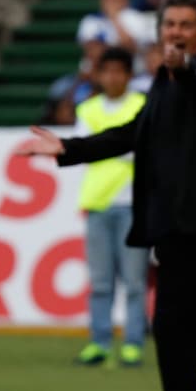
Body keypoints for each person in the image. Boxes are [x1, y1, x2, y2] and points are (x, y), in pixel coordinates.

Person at [17, 0, 196, 391]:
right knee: (179, 324)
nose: (175, 32)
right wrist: (68, 148)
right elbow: (133, 134)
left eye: (185, 25)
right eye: (169, 24)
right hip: (175, 218)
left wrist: (183, 66)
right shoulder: (163, 79)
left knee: (184, 323)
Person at [71, 46, 148, 367]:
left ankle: (132, 343)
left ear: (129, 75)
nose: (113, 77)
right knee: (101, 281)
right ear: (99, 75)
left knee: (134, 281)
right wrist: (118, 146)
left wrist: (104, 145)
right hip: (99, 203)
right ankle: (99, 342)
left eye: (119, 71)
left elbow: (141, 149)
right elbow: (87, 150)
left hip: (134, 202)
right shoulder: (87, 108)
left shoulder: (142, 105)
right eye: (108, 71)